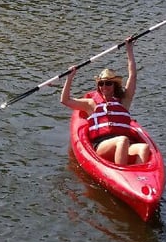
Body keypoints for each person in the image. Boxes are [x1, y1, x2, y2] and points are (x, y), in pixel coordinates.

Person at [60, 38, 151, 166]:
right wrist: (70, 78)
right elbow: (65, 100)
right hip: (102, 145)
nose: (104, 86)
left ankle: (138, 177)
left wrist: (129, 50)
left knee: (143, 148)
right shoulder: (91, 104)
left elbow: (133, 76)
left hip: (123, 144)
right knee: (122, 140)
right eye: (101, 84)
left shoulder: (123, 101)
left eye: (108, 83)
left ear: (114, 85)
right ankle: (121, 173)